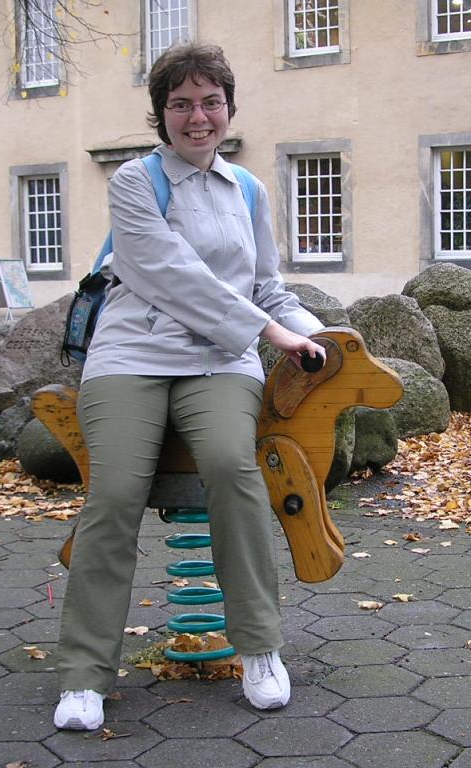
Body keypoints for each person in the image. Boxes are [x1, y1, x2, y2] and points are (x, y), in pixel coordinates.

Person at [53, 42, 326, 730]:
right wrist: (269, 331)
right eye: (181, 104)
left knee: (233, 468)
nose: (197, 116)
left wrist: (319, 336)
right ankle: (84, 675)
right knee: (115, 493)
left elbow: (267, 286)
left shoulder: (249, 189)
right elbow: (168, 271)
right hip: (132, 353)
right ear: (161, 113)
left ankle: (260, 649)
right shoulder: (134, 181)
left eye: (210, 102)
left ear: (229, 109)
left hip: (217, 360)